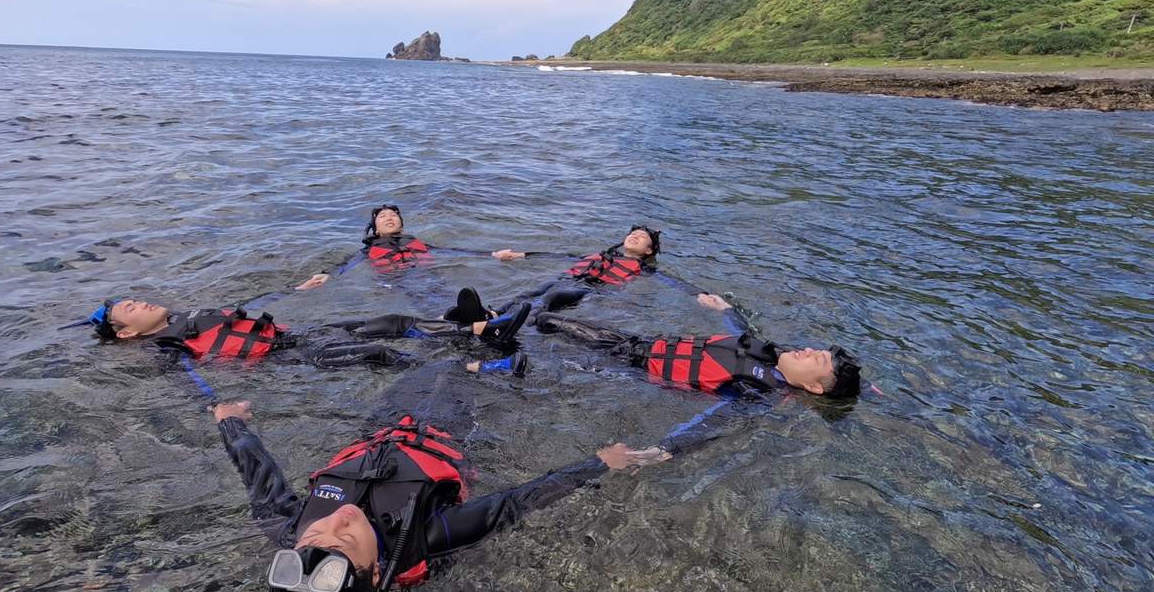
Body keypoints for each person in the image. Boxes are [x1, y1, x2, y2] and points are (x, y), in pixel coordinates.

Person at [209, 362, 673, 592]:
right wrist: (599, 463)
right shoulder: (425, 537)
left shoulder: (288, 529)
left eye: (315, 534)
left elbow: (259, 473)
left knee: (434, 366)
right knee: (464, 376)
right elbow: (514, 503)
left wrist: (230, 421)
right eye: (345, 542)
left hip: (386, 423)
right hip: (449, 429)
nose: (338, 519)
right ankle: (483, 365)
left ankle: (469, 354)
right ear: (374, 575)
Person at [85, 296, 532, 374]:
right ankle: (478, 365)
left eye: (136, 298)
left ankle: (482, 328)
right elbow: (189, 380)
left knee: (392, 321)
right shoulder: (165, 348)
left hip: (301, 335)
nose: (141, 302)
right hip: (290, 361)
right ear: (126, 335)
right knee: (376, 351)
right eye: (130, 309)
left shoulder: (183, 316)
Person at [533, 297, 861, 399]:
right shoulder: (773, 355)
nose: (806, 349)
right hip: (639, 343)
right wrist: (726, 309)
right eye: (815, 348)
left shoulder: (755, 391)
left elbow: (709, 424)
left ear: (813, 387)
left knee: (546, 321)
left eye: (816, 358)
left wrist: (663, 450)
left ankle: (504, 323)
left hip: (626, 364)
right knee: (549, 318)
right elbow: (744, 337)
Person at [294, 204, 528, 290]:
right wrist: (326, 277)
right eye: (383, 216)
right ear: (375, 230)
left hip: (428, 277)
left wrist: (494, 254)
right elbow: (346, 266)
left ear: (402, 226)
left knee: (442, 291)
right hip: (398, 282)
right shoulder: (366, 252)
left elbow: (454, 252)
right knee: (427, 296)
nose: (389, 217)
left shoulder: (418, 244)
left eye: (394, 215)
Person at [457, 225, 664, 320]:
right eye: (632, 233)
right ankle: (493, 314)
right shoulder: (601, 255)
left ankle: (514, 324)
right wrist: (517, 255)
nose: (635, 236)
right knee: (530, 292)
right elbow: (558, 255)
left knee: (552, 297)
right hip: (568, 278)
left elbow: (672, 282)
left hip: (591, 288)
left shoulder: (644, 268)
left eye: (642, 237)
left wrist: (696, 294)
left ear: (649, 251)